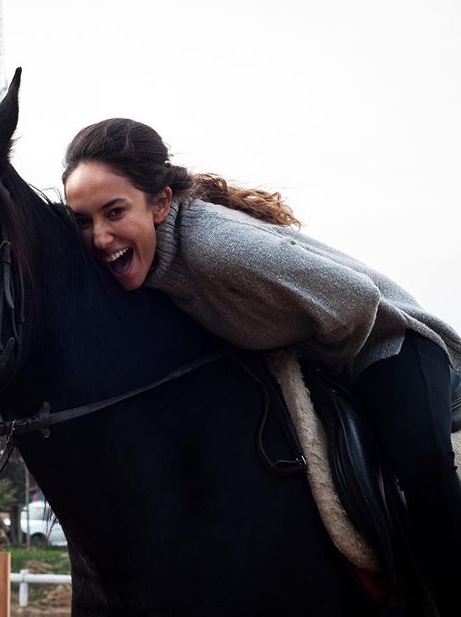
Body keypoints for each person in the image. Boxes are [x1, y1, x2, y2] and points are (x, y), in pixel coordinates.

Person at [62, 118, 461, 615]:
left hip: (387, 343)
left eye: (115, 211)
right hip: (323, 345)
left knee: (422, 467)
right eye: (83, 220)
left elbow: (357, 301)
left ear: (160, 204)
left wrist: (323, 369)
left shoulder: (217, 249)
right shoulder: (147, 263)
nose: (99, 237)